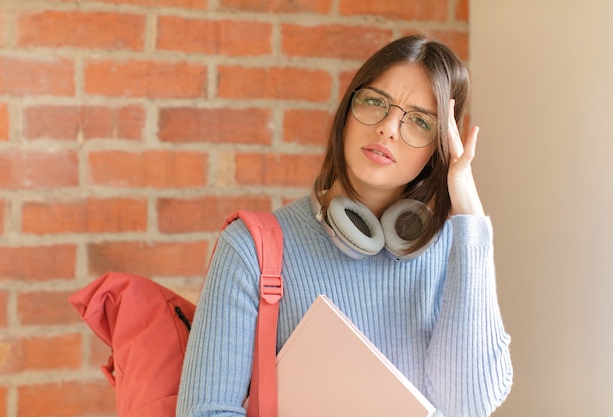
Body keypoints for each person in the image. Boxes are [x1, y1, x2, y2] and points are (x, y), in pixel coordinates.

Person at [176, 34, 513, 417]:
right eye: (375, 102)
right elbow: (204, 411)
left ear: (437, 152)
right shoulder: (250, 249)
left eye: (419, 121)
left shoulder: (454, 253)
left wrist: (470, 222)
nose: (388, 127)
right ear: (347, 111)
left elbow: (469, 406)